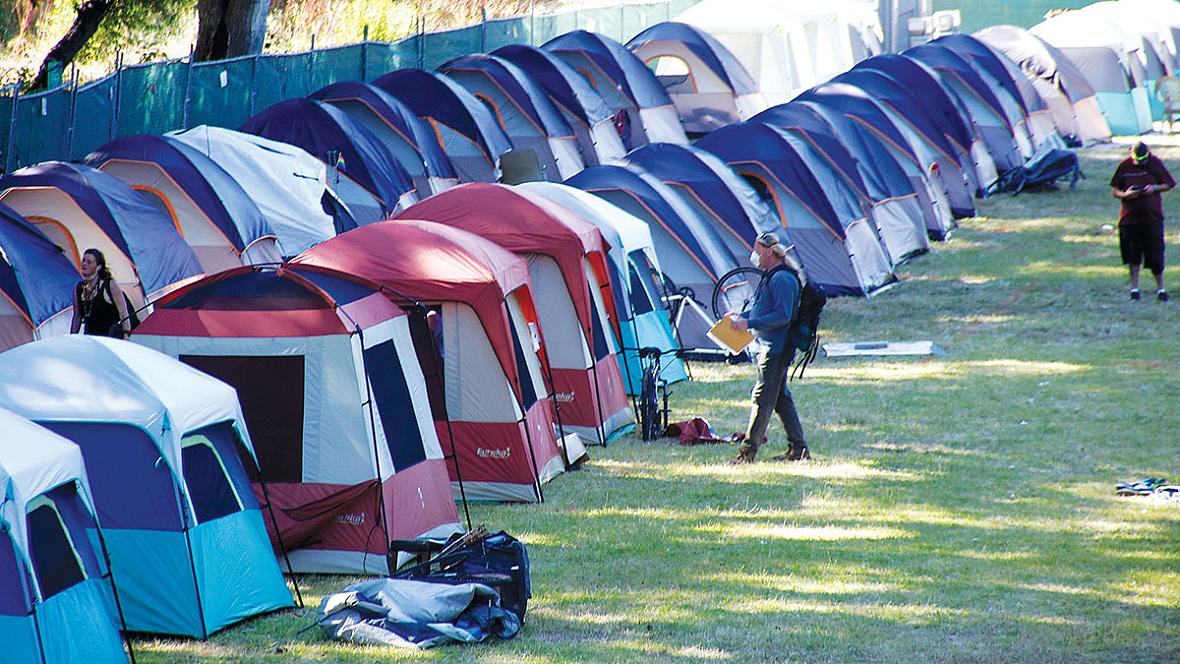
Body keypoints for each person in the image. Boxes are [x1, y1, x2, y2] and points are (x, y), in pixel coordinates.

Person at [727, 232, 810, 463]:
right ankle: (799, 449)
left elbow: (782, 315)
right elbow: (763, 309)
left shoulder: (783, 279)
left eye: (756, 250)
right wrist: (739, 318)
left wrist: (750, 323)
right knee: (781, 398)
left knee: (762, 399)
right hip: (768, 346)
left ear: (767, 252)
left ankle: (748, 452)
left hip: (777, 348)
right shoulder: (771, 276)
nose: (753, 255)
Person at [1111, 141, 1174, 301]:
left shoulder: (1155, 164)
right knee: (1133, 255)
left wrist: (1154, 188)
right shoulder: (1124, 166)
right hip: (1130, 219)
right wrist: (1126, 195)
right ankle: (1134, 289)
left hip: (1152, 218)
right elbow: (1115, 190)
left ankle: (1160, 288)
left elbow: (1169, 184)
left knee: (1156, 254)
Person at [70, 248, 133, 338]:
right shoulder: (78, 288)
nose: (84, 264)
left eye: (89, 262)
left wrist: (126, 333)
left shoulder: (109, 285)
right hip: (91, 339)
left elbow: (123, 312)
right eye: (83, 260)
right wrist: (72, 338)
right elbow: (77, 317)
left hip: (110, 338)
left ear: (98, 267)